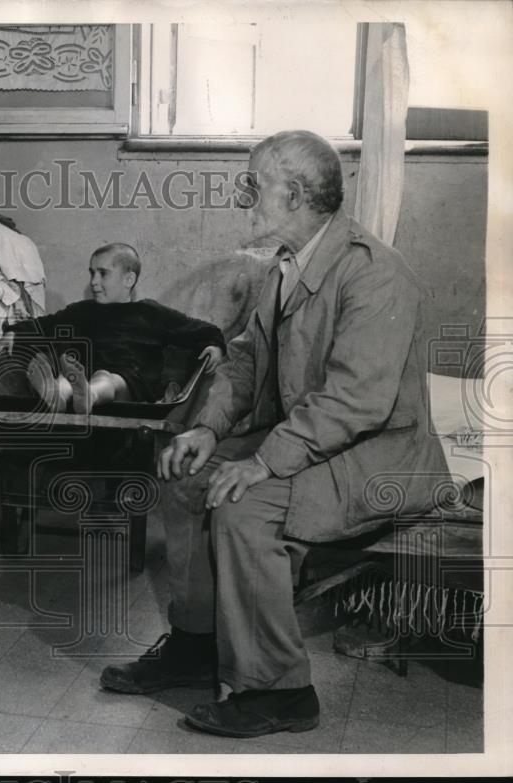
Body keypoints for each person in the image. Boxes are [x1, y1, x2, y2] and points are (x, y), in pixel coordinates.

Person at [98, 130, 450, 738]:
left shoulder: (376, 274)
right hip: (321, 442)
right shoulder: (287, 267)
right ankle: (196, 643)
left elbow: (355, 400)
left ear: (293, 193)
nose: (244, 198)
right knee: (184, 479)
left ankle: (281, 691)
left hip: (382, 457)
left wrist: (262, 465)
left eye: (253, 184)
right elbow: (244, 361)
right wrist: (207, 429)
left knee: (244, 504)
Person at [6, 243, 226, 413]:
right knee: (68, 376)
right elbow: (44, 326)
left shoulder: (150, 313)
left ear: (128, 279)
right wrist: (13, 333)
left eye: (103, 273)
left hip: (130, 383)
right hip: (83, 373)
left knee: (106, 379)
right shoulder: (81, 311)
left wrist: (214, 345)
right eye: (92, 273)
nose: (93, 281)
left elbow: (201, 330)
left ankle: (88, 395)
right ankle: (58, 393)